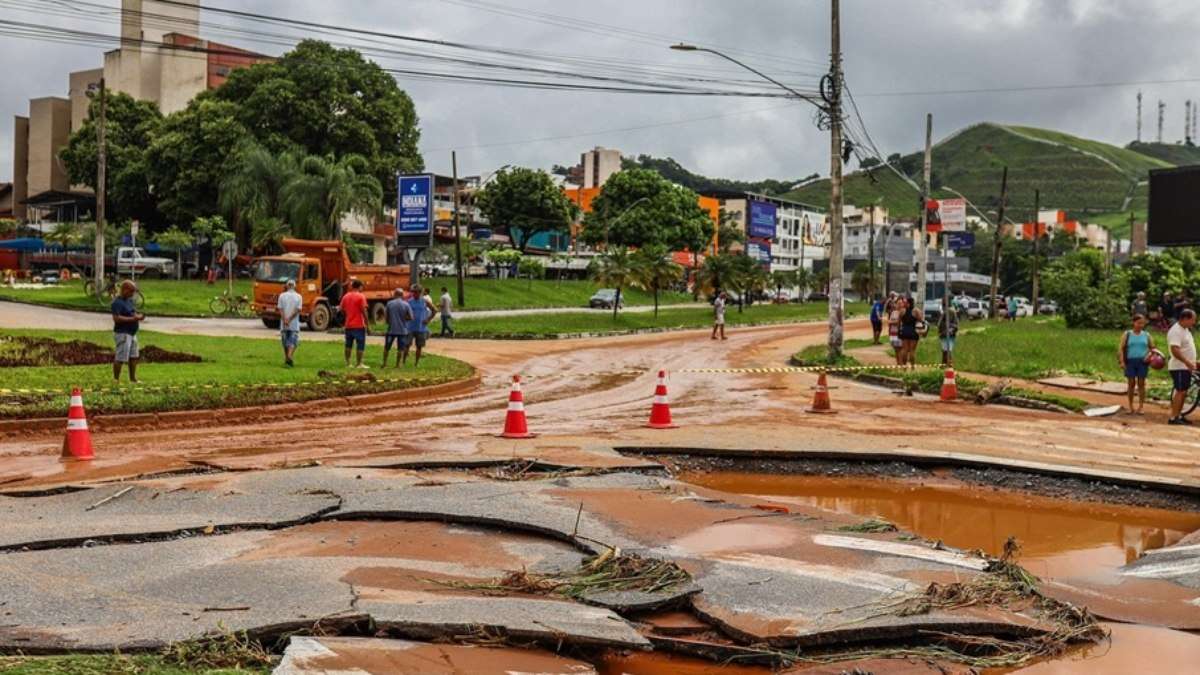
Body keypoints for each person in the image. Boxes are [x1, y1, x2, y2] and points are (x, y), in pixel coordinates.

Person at [1120, 314, 1155, 415]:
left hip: (1143, 362)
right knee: (1131, 383)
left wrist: (1148, 356)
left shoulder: (1147, 335)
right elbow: (1121, 348)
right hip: (1130, 361)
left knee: (1141, 384)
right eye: (1138, 323)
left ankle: (1141, 406)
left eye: (1142, 323)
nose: (1140, 325)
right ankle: (1130, 406)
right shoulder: (1127, 334)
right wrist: (1122, 361)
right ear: (1133, 322)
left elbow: (1152, 348)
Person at [1167, 308, 1197, 425]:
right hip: (1179, 366)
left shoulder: (1186, 330)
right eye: (1192, 320)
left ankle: (1179, 414)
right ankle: (1173, 417)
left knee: (1184, 391)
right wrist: (1186, 361)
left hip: (1186, 367)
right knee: (1180, 391)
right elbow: (1175, 350)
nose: (1193, 322)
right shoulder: (1176, 331)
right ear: (1185, 319)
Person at [111, 280, 144, 383]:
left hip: (132, 333)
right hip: (123, 333)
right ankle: (116, 379)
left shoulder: (129, 301)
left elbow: (132, 312)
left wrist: (138, 316)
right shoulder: (117, 302)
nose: (132, 294)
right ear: (124, 290)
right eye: (131, 291)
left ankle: (133, 378)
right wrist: (132, 319)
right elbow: (116, 318)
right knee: (121, 357)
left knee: (134, 356)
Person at [404, 284, 438, 366]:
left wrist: (428, 319)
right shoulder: (409, 302)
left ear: (421, 292)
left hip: (421, 328)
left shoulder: (424, 301)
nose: (415, 294)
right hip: (410, 327)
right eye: (414, 292)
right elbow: (404, 313)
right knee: (407, 345)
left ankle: (416, 363)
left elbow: (434, 310)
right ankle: (403, 361)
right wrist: (407, 318)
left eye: (417, 292)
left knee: (419, 346)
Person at [339, 279, 369, 369]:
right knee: (360, 344)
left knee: (348, 344)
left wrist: (348, 315)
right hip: (359, 325)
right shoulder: (361, 297)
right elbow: (364, 311)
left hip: (348, 325)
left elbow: (341, 309)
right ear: (359, 287)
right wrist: (368, 324)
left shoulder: (346, 296)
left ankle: (348, 363)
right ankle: (359, 363)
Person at [382, 288, 414, 368]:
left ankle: (385, 363)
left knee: (387, 347)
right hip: (402, 330)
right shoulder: (406, 304)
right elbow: (411, 317)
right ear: (402, 295)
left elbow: (386, 317)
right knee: (400, 348)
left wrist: (390, 321)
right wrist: (404, 318)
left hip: (391, 329)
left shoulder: (389, 304)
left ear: (395, 294)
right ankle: (398, 364)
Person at [276, 279, 303, 367]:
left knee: (285, 342)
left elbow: (280, 309)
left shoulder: (282, 296)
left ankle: (287, 358)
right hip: (294, 323)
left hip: (284, 323)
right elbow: (298, 310)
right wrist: (290, 319)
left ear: (287, 286)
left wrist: (285, 319)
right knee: (293, 341)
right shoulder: (299, 297)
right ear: (294, 286)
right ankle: (289, 356)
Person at [897, 296, 924, 367]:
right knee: (912, 351)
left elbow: (898, 322)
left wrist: (899, 331)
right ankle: (912, 367)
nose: (904, 304)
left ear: (908, 303)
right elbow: (921, 320)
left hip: (904, 331)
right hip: (913, 331)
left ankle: (904, 367)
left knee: (904, 350)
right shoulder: (916, 311)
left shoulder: (902, 311)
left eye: (905, 302)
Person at [938, 297, 958, 367]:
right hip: (944, 333)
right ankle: (943, 365)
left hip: (948, 333)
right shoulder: (946, 310)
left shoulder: (949, 311)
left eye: (943, 301)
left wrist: (948, 330)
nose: (942, 302)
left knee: (947, 351)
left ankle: (949, 366)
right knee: (944, 351)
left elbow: (950, 323)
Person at [887, 294, 903, 364]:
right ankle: (898, 364)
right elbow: (890, 323)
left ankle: (901, 365)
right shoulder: (893, 312)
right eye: (897, 303)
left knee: (900, 350)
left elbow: (897, 323)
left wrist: (892, 322)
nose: (899, 305)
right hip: (892, 334)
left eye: (900, 303)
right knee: (896, 350)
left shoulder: (903, 312)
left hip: (900, 334)